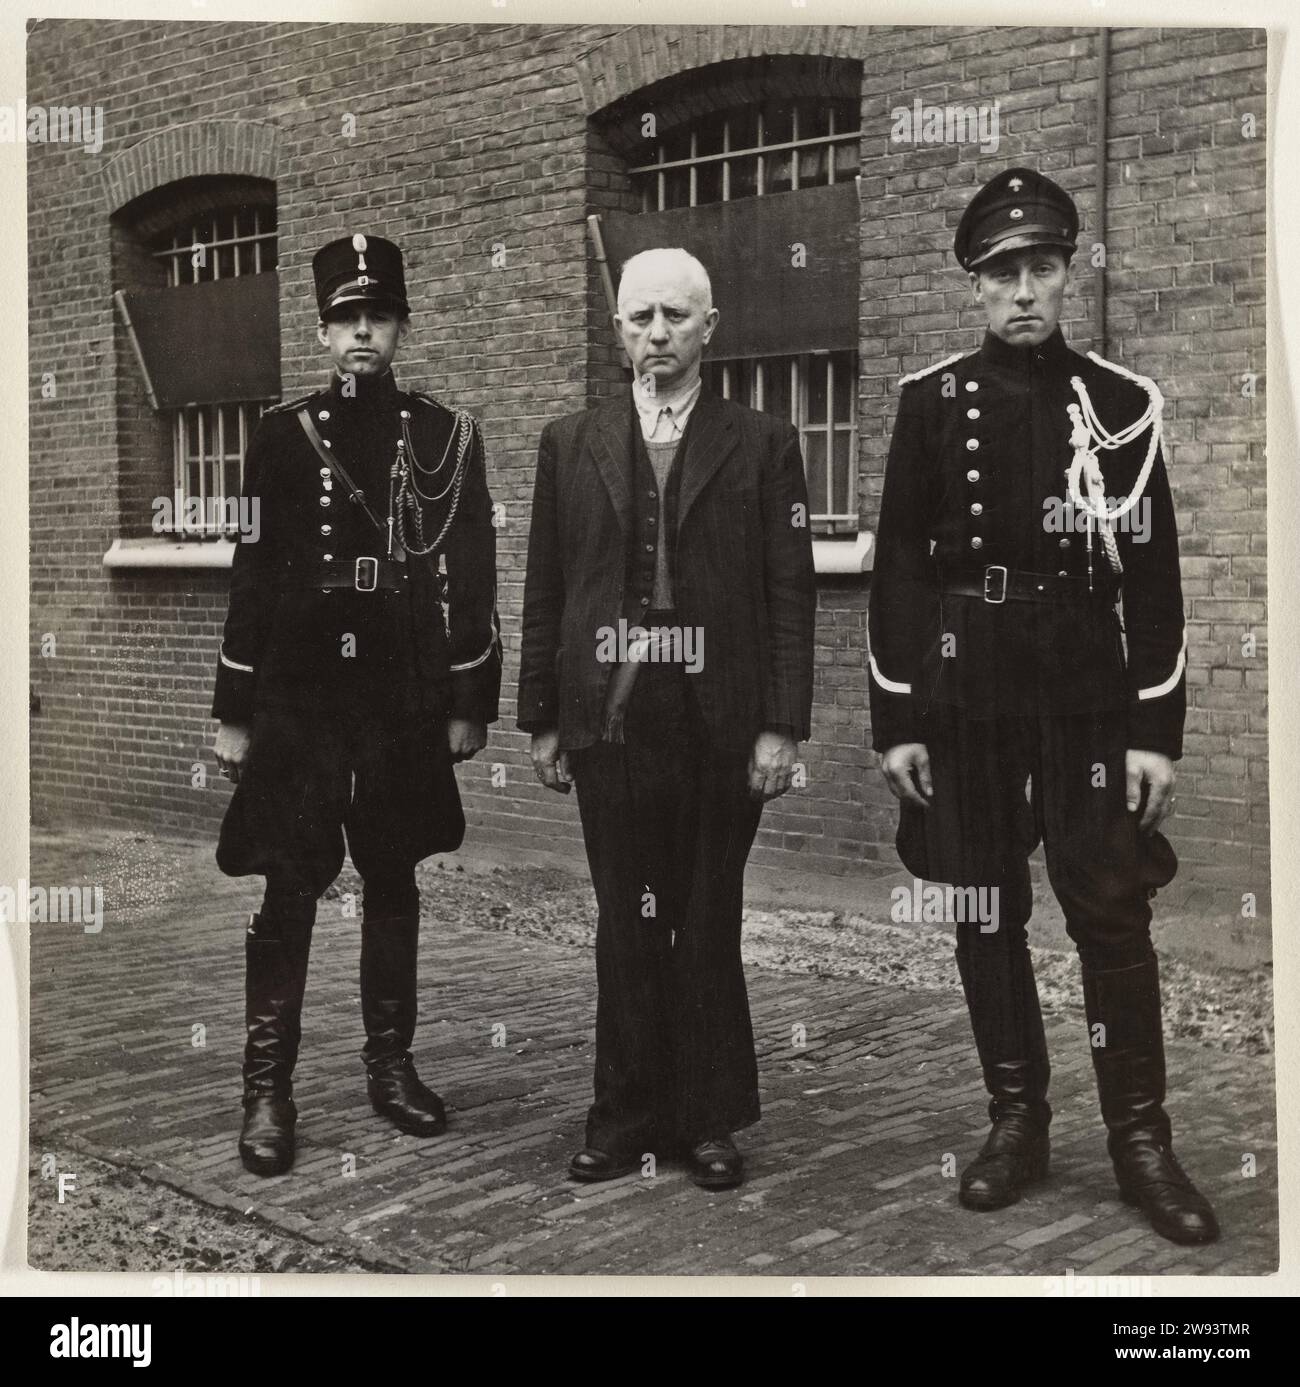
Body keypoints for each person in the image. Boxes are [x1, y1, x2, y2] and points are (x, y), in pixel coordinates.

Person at [868, 169, 1219, 1245]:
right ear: (973, 286)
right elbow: (897, 572)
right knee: (982, 906)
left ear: (1069, 274)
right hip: (965, 686)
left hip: (1083, 696)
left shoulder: (1119, 404)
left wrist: (1155, 732)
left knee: (1109, 907)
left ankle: (1141, 1140)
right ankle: (1016, 1122)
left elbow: (1151, 581)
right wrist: (902, 719)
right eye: (1000, 273)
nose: (1022, 291)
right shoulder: (929, 402)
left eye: (1040, 268)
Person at [518, 248, 816, 1189]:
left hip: (718, 722)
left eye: (676, 317)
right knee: (623, 919)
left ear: (710, 328)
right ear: (616, 331)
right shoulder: (571, 441)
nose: (658, 335)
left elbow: (790, 593)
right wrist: (543, 717)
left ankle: (708, 1117)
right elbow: (545, 588)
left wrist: (781, 726)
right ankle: (622, 1114)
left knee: (705, 913)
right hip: (610, 718)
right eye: (640, 317)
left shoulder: (764, 442)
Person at [211, 233, 501, 1176]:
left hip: (397, 693)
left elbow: (473, 573)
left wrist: (469, 698)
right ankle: (267, 1088)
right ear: (323, 329)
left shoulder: (442, 434)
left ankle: (390, 1066)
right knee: (290, 881)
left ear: (402, 325)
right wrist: (234, 708)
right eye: (345, 319)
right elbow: (250, 575)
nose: (362, 333)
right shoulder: (278, 435)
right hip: (300, 694)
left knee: (393, 874)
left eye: (377, 316)